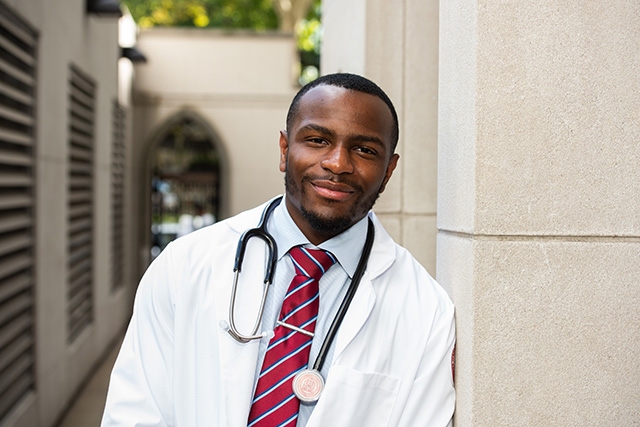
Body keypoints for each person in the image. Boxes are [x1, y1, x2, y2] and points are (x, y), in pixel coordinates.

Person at [101, 73, 455, 427]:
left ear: (388, 170)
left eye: (364, 150)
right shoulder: (184, 267)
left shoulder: (426, 312)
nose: (337, 164)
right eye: (317, 140)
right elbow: (134, 414)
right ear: (285, 150)